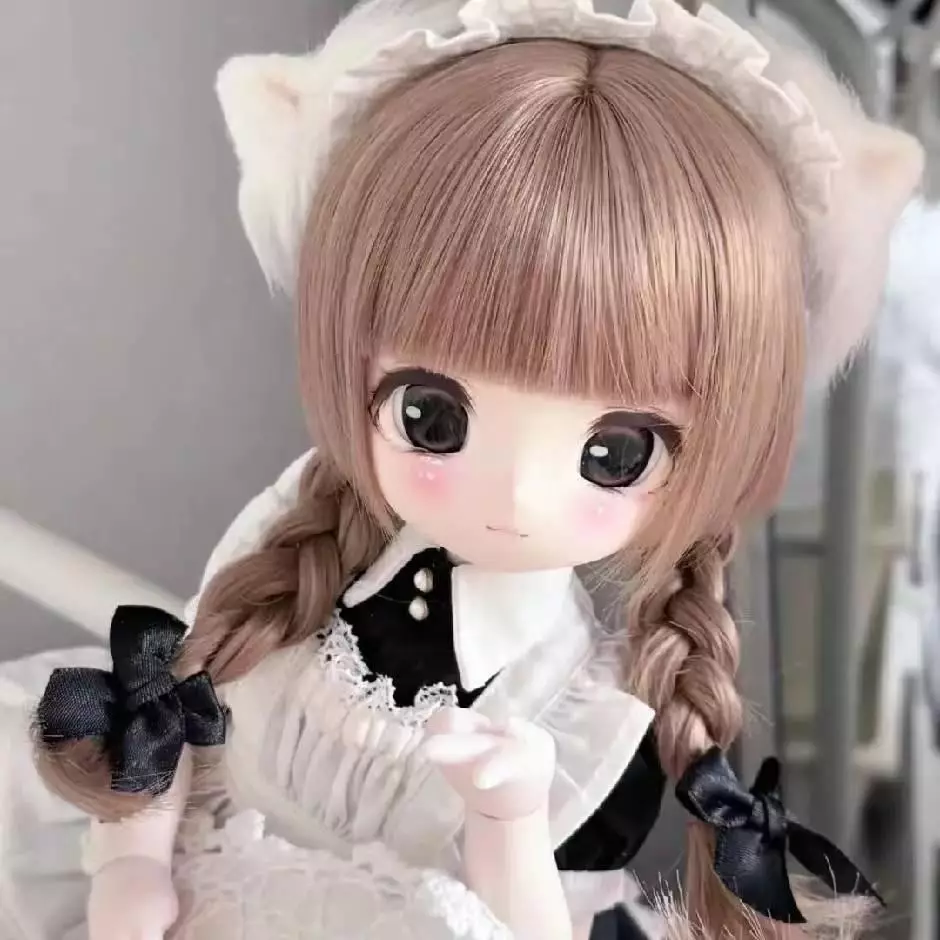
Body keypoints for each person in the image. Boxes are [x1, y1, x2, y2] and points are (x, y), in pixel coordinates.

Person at [33, 1, 925, 937]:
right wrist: (132, 864)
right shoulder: (292, 541)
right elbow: (164, 710)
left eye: (613, 455)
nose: (517, 493)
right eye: (433, 416)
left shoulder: (585, 716)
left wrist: (510, 823)